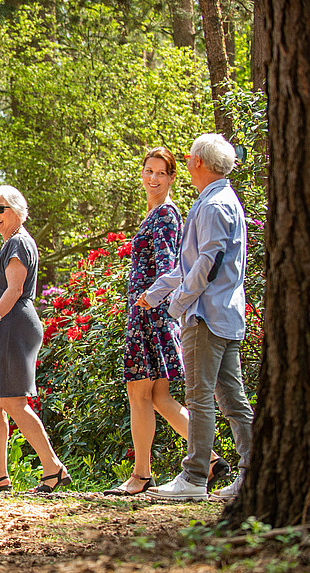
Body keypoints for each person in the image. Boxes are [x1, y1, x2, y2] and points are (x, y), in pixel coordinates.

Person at [104, 147, 229, 496]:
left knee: (139, 393)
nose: (154, 178)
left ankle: (141, 475)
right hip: (148, 311)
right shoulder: (155, 214)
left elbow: (170, 266)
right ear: (142, 173)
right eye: (149, 171)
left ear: (173, 177)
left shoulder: (166, 216)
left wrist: (150, 301)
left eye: (162, 173)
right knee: (158, 396)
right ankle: (210, 460)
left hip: (150, 313)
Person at [139, 134, 253, 501]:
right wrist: (155, 293)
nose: (187, 162)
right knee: (231, 399)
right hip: (223, 315)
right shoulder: (217, 200)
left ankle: (193, 477)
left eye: (189, 157)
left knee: (200, 397)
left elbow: (207, 263)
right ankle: (254, 473)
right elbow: (189, 264)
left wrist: (178, 304)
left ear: (198, 163)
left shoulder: (214, 205)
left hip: (206, 315)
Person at [0, 185, 69, 493]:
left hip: (12, 325)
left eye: (0, 208)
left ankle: (53, 468)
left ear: (17, 210)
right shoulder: (10, 244)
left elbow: (14, 290)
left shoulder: (19, 243)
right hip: (4, 327)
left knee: (14, 401)